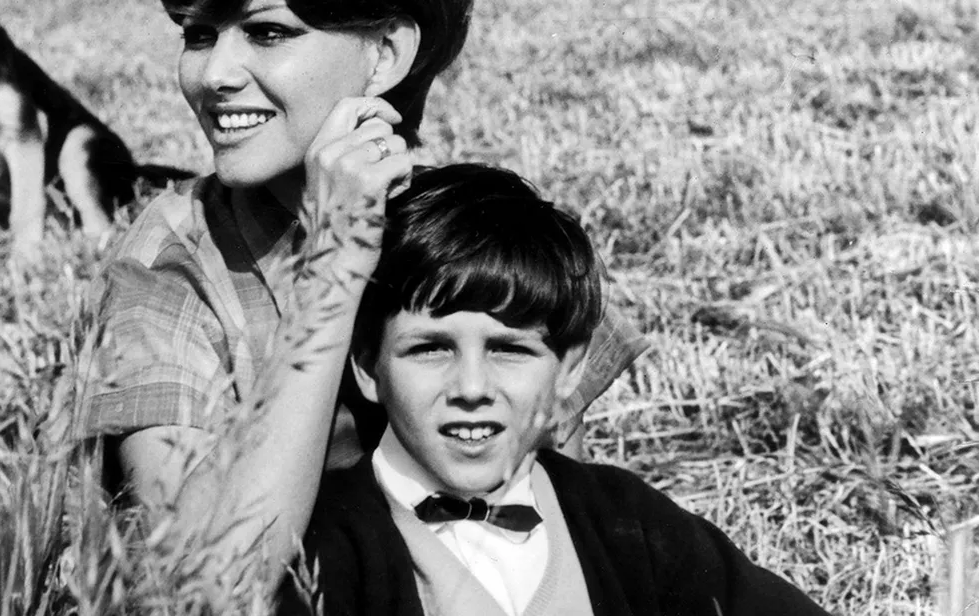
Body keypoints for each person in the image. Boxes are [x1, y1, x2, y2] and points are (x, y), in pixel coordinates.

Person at [66, 0, 647, 592]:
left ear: (386, 53)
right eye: (197, 33)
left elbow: (551, 524)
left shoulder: (464, 234)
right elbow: (203, 584)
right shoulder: (172, 265)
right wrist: (334, 269)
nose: (214, 74)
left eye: (267, 33)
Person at [287, 163, 830, 616]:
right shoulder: (325, 550)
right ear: (367, 366)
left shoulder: (622, 520)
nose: (471, 387)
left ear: (568, 369)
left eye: (509, 350)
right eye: (431, 349)